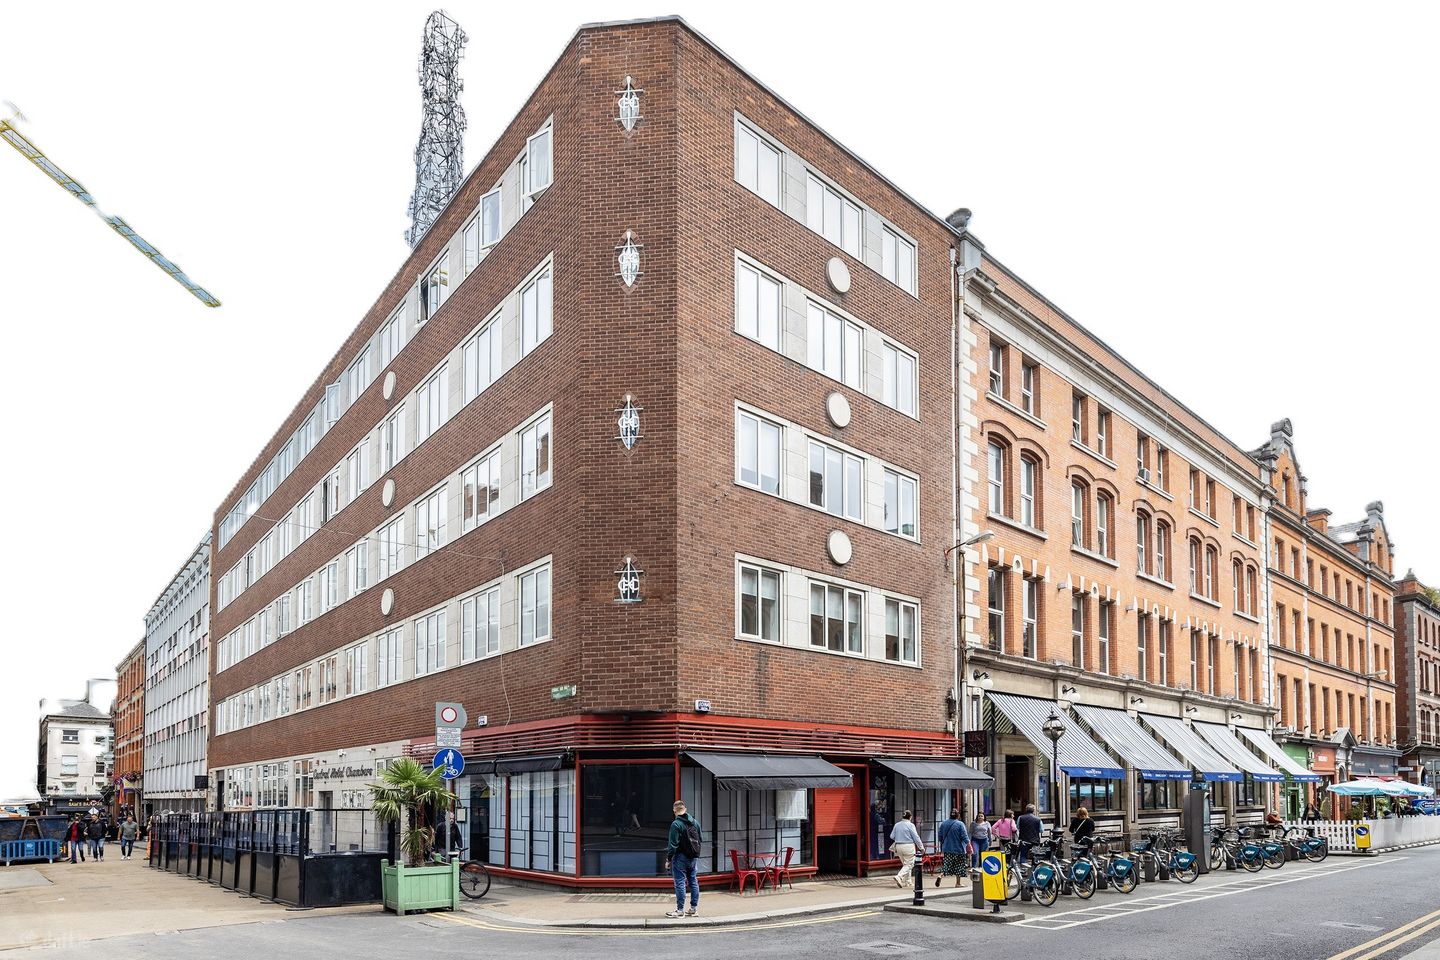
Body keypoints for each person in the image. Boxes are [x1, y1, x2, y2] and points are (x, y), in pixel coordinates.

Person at [663, 800, 702, 919]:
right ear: (685, 809)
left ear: (674, 811)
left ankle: (680, 910)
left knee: (680, 882)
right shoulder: (695, 822)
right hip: (693, 857)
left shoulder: (676, 824)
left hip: (680, 857)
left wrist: (668, 860)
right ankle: (693, 909)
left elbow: (673, 845)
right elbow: (700, 838)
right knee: (693, 881)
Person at [935, 808, 971, 887]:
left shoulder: (943, 824)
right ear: (958, 815)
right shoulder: (960, 824)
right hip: (959, 849)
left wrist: (942, 845)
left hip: (947, 848)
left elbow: (940, 836)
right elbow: (964, 836)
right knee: (959, 866)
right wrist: (969, 845)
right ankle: (958, 883)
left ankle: (940, 875)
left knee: (947, 865)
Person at [889, 809, 924, 887]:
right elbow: (916, 837)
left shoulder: (897, 824)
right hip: (908, 846)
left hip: (898, 847)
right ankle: (899, 876)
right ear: (910, 817)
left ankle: (908, 881)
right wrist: (921, 847)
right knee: (909, 864)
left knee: (905, 864)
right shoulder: (911, 825)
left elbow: (892, 836)